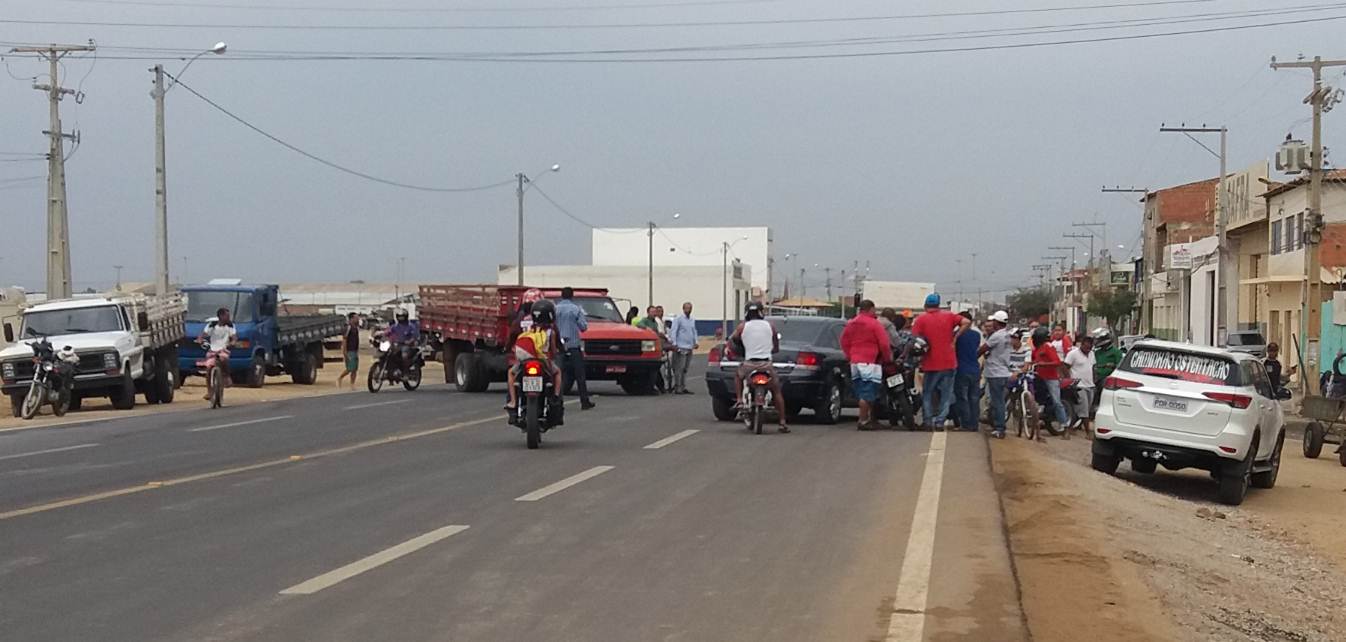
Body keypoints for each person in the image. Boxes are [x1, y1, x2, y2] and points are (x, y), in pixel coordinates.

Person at [908, 293, 972, 431]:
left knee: (927, 393)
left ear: (925, 305)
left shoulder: (921, 319)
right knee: (946, 395)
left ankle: (927, 421)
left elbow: (914, 339)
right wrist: (955, 337)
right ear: (938, 305)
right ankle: (940, 422)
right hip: (949, 362)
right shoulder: (949, 316)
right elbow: (966, 322)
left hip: (930, 363)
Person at [731, 303, 789, 432]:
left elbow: (734, 339)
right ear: (761, 312)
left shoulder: (742, 326)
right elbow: (775, 345)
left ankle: (739, 400)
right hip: (766, 364)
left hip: (749, 364)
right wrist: (772, 349)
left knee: (738, 376)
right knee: (776, 391)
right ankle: (782, 422)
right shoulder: (770, 326)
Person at [504, 299, 564, 419]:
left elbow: (512, 337)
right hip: (543, 362)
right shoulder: (551, 330)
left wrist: (508, 349)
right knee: (557, 372)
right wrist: (556, 353)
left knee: (511, 373)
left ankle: (513, 402)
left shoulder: (524, 325)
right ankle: (556, 397)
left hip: (525, 361)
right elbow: (554, 349)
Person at [841, 299, 892, 430]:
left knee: (861, 390)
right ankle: (863, 420)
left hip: (855, 361)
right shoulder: (874, 324)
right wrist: (887, 359)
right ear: (871, 309)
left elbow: (844, 341)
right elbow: (884, 344)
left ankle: (869, 419)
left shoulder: (851, 323)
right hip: (870, 361)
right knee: (868, 392)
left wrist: (849, 356)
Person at [555, 287, 596, 410]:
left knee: (557, 374)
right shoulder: (575, 309)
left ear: (561, 296)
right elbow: (583, 327)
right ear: (572, 296)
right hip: (573, 345)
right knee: (580, 375)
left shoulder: (555, 309)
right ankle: (584, 401)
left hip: (558, 346)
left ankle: (557, 402)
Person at [1031, 326, 1071, 437]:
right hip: (1039, 377)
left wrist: (1044, 364)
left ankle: (1064, 426)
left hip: (1051, 378)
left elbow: (1057, 362)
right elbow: (1032, 361)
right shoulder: (1036, 349)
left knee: (1057, 402)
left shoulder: (1048, 346)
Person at [980, 311, 1013, 439]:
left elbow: (983, 349)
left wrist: (972, 357)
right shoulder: (1006, 335)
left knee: (998, 401)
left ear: (996, 322)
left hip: (995, 372)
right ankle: (995, 423)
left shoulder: (996, 336)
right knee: (997, 401)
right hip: (1004, 371)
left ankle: (1000, 428)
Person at [198, 307, 237, 400]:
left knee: (223, 359)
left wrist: (233, 342)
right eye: (226, 316)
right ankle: (209, 392)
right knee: (208, 369)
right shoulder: (212, 325)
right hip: (212, 350)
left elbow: (234, 337)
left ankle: (226, 376)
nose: (228, 318)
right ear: (220, 316)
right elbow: (204, 334)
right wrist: (200, 339)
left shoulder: (230, 326)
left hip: (223, 349)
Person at [953, 311, 983, 431]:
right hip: (975, 369)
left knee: (962, 398)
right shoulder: (976, 335)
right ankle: (974, 424)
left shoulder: (956, 335)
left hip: (961, 369)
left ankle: (965, 423)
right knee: (974, 398)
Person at [1064, 336, 1096, 436]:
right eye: (1086, 347)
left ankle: (1069, 428)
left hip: (1090, 385)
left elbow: (1093, 367)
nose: (1088, 349)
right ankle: (1087, 433)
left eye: (1090, 347)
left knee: (1085, 410)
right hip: (1079, 385)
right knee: (1084, 410)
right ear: (1081, 345)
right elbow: (1065, 367)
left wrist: (1094, 381)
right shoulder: (1073, 354)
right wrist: (1070, 380)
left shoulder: (1092, 354)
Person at [1090, 328, 1124, 413]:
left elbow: (1119, 366)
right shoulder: (1097, 352)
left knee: (1102, 385)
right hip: (1094, 377)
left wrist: (1111, 366)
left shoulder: (1116, 352)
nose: (1096, 341)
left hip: (1106, 378)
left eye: (1099, 339)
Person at [669, 301, 698, 394]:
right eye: (687, 308)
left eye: (690, 308)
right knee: (679, 368)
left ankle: (683, 386)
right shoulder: (678, 319)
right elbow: (674, 331)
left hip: (689, 347)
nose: (688, 310)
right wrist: (674, 343)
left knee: (685, 368)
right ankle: (678, 387)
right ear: (683, 309)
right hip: (681, 347)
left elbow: (694, 331)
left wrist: (696, 342)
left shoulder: (692, 320)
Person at [384, 309, 421, 377]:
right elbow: (387, 332)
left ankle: (405, 372)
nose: (401, 318)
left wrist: (409, 341)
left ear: (406, 317)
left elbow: (415, 336)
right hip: (396, 345)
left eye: (402, 317)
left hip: (407, 346)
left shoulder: (411, 326)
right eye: (399, 317)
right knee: (387, 353)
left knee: (404, 355)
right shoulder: (395, 326)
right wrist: (381, 334)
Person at [336, 312, 361, 389]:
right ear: (351, 319)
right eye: (356, 318)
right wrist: (345, 352)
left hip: (355, 350)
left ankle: (352, 384)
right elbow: (344, 340)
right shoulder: (348, 328)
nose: (357, 319)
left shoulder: (356, 328)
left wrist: (357, 350)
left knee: (355, 369)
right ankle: (340, 378)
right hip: (349, 350)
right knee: (350, 368)